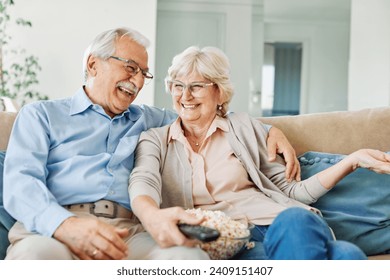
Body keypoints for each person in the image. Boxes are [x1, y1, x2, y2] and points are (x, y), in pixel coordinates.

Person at [2, 27, 298, 260]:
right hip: (53, 229)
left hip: (128, 232)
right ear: (93, 64)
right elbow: (20, 184)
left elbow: (203, 111)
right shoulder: (42, 115)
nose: (138, 81)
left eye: (143, 73)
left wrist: (269, 130)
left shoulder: (148, 119)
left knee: (188, 259)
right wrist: (64, 225)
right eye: (130, 68)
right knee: (34, 260)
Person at [129, 45, 390, 260]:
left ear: (219, 92)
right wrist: (151, 215)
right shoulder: (155, 140)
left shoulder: (243, 128)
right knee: (346, 255)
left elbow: (292, 192)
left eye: (196, 86)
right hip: (231, 246)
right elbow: (144, 180)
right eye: (177, 85)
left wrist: (352, 161)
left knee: (296, 219)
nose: (185, 95)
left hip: (283, 226)